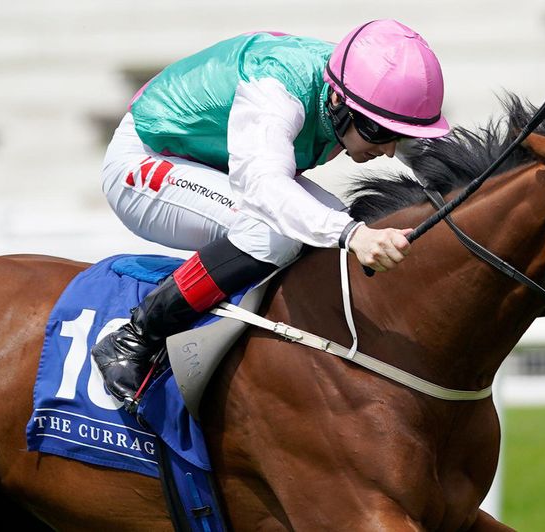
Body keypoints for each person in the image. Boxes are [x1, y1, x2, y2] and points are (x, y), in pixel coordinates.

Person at [92, 19, 450, 407]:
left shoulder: (358, 85)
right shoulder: (278, 90)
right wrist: (353, 235)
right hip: (145, 160)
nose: (390, 150)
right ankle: (135, 337)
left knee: (336, 224)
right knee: (279, 233)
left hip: (214, 162)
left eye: (401, 135)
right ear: (339, 103)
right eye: (380, 134)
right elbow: (263, 187)